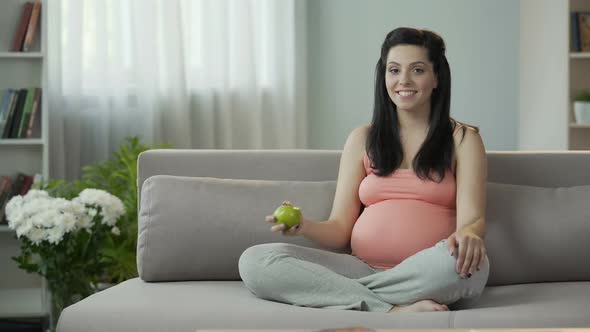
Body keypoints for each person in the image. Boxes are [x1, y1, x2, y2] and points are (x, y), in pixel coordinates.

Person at [238, 27, 490, 313]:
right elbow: (339, 230)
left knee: (467, 267)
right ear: (384, 77)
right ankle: (393, 309)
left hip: (433, 271)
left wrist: (469, 233)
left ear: (437, 78)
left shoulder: (462, 139)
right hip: (360, 268)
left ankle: (347, 297)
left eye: (417, 70)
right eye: (393, 70)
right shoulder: (362, 139)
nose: (403, 80)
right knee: (256, 261)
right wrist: (304, 226)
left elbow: (473, 219)